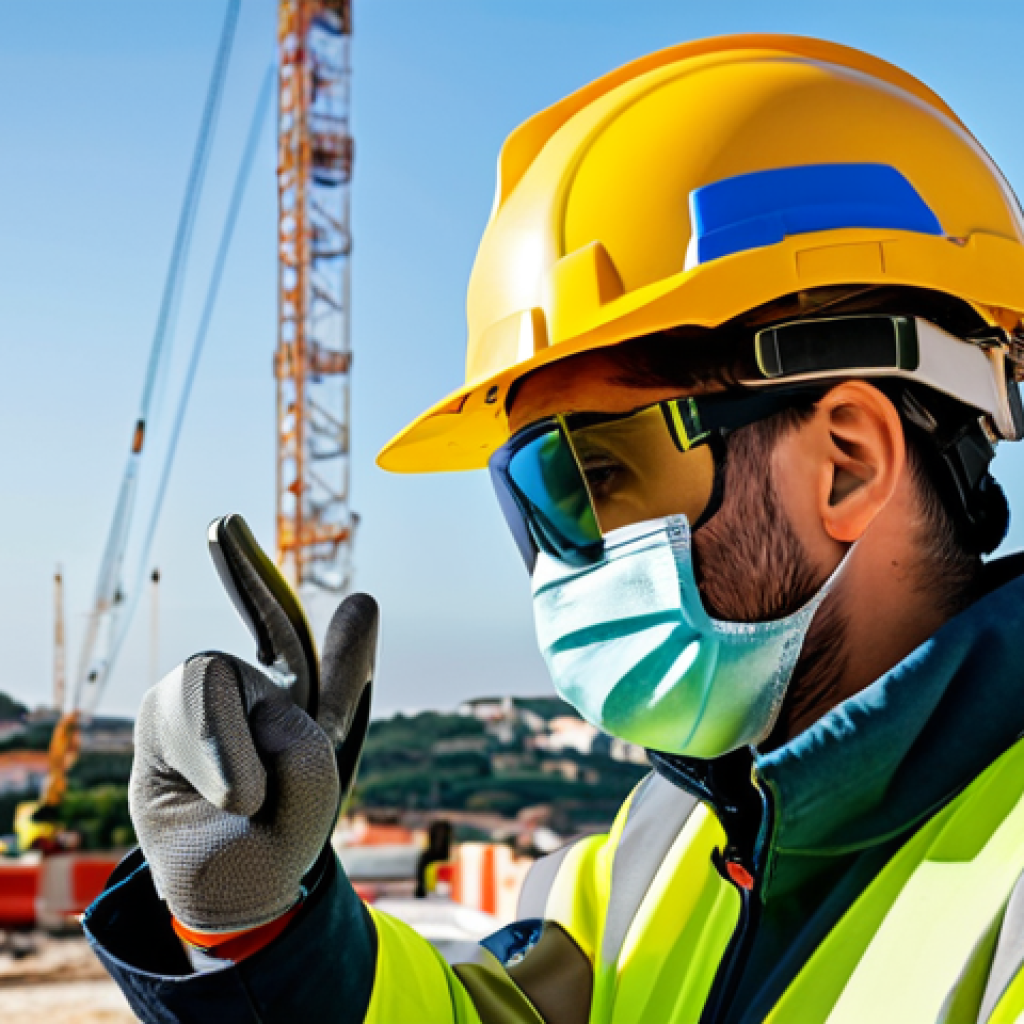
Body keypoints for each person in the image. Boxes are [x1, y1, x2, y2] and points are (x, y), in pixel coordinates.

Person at [85, 33, 1024, 1023]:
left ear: (847, 461)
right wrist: (260, 934)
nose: (552, 563)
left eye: (590, 473)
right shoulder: (662, 847)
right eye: (525, 500)